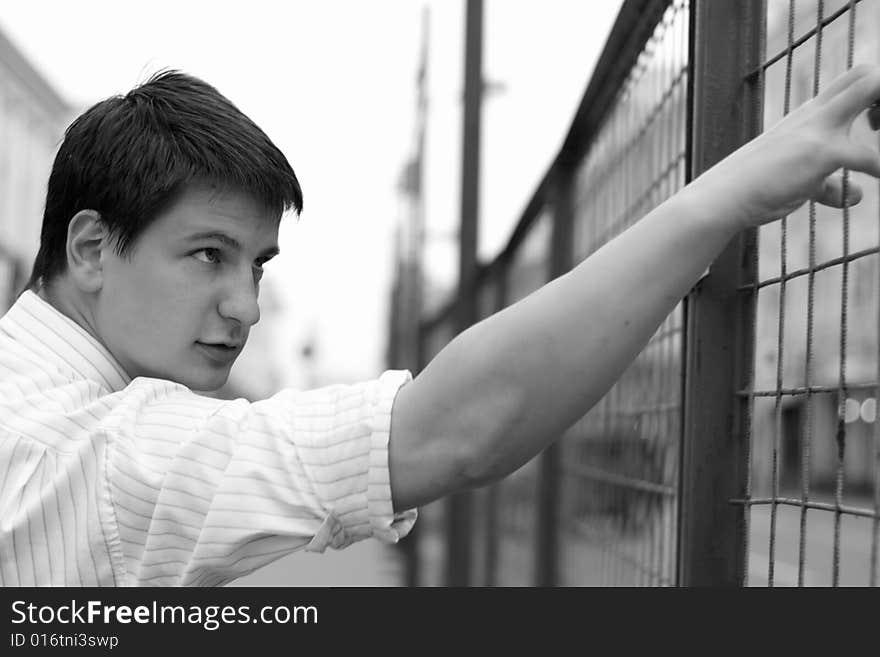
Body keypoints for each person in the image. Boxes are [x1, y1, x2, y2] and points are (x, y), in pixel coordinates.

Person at [1, 66, 879, 586]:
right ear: (90, 246)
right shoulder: (87, 455)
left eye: (257, 264)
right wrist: (729, 194)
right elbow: (457, 429)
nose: (245, 304)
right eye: (207, 254)